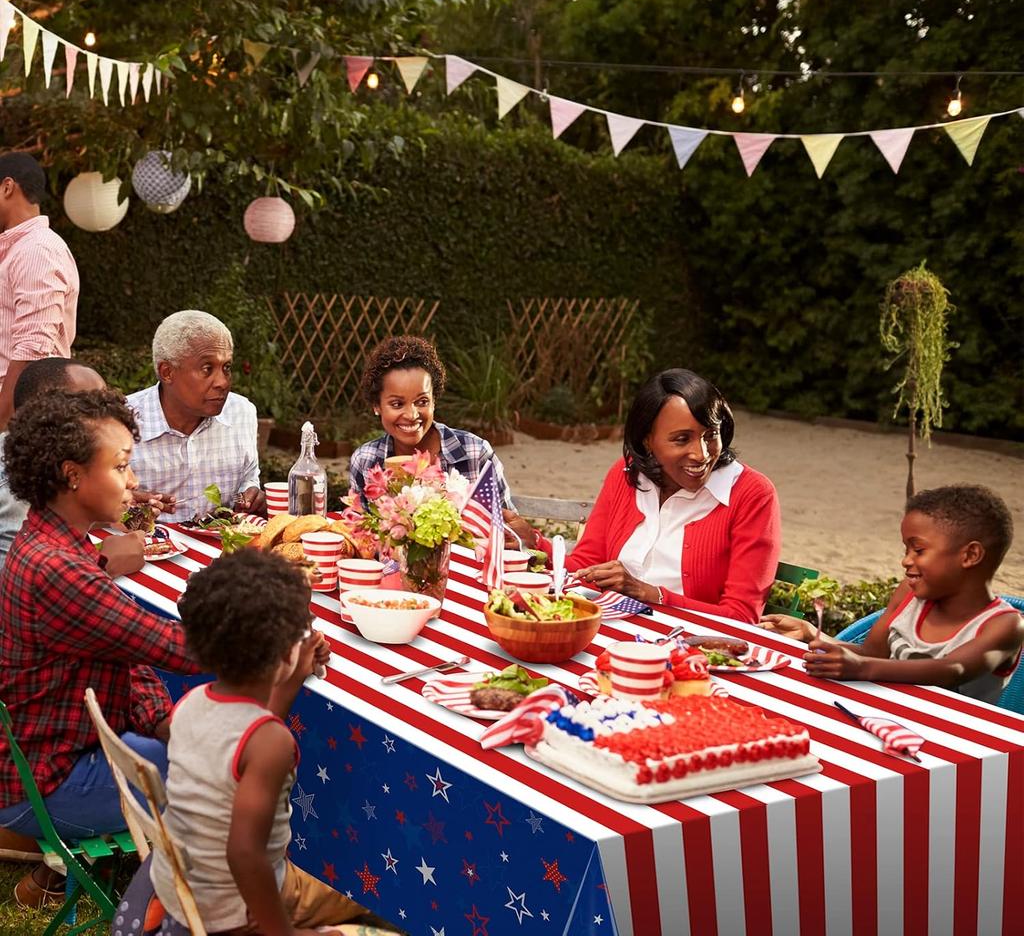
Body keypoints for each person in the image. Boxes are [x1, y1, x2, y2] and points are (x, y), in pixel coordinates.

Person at [0, 389, 198, 905]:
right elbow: (176, 646)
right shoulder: (58, 568)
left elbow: (125, 652)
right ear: (72, 475)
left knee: (192, 746)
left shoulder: (59, 541)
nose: (133, 481)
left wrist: (160, 717)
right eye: (122, 465)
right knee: (224, 775)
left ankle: (56, 879)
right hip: (45, 781)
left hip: (53, 754)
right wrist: (279, 642)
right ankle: (159, 910)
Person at [140, 548, 381, 935]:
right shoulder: (271, 743)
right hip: (236, 909)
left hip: (183, 885)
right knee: (376, 892)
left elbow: (247, 738)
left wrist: (292, 679)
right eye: (303, 629)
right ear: (281, 650)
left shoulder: (190, 703)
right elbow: (244, 853)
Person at [506, 368, 781, 623]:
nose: (701, 454)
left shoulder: (752, 495)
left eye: (711, 435)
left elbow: (741, 618)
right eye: (681, 439)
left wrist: (651, 594)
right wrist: (533, 543)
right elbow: (586, 566)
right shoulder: (626, 473)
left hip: (691, 651)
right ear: (647, 440)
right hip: (609, 629)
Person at [760, 484, 1022, 704]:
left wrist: (862, 668)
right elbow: (872, 654)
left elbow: (952, 669)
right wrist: (811, 635)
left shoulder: (1005, 625)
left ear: (970, 555)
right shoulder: (910, 592)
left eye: (918, 551)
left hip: (956, 745)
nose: (905, 561)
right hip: (884, 718)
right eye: (906, 550)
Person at [0, 357, 147, 578]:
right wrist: (103, 565)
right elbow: (22, 585)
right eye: (88, 407)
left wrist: (113, 506)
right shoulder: (14, 485)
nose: (106, 415)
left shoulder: (36, 454)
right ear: (44, 415)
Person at [127, 310, 266, 521]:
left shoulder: (241, 413)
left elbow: (248, 479)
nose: (222, 382)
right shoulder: (121, 420)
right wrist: (120, 503)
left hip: (224, 549)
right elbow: (89, 500)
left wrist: (249, 496)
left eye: (226, 367)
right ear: (167, 372)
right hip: (146, 550)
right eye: (207, 368)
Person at [348, 335, 515, 508]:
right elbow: (357, 528)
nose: (412, 415)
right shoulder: (365, 460)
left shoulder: (475, 452)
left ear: (434, 401)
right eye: (397, 404)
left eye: (422, 402)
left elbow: (506, 527)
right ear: (377, 405)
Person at [0, 152, 80, 431]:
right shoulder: (16, 250)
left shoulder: (37, 249)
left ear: (7, 187)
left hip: (22, 423)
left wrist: (2, 423)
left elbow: (33, 348)